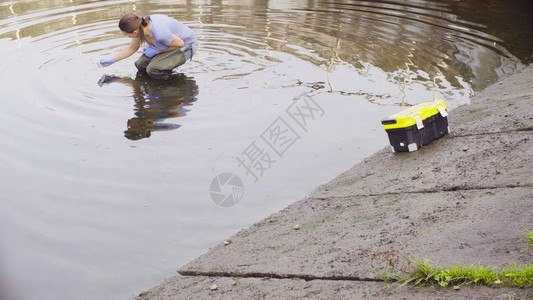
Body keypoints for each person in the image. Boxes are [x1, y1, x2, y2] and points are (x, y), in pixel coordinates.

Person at [99, 13, 197, 80]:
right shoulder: (139, 28)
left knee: (153, 69)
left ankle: (172, 85)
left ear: (134, 32)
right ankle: (150, 82)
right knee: (140, 64)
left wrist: (156, 51)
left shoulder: (160, 33)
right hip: (169, 44)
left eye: (126, 34)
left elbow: (180, 44)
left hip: (186, 45)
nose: (126, 36)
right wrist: (112, 59)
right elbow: (132, 48)